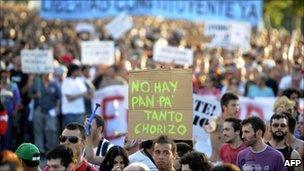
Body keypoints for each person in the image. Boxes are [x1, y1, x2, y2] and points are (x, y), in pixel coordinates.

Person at [29, 73, 61, 155]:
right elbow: (29, 95)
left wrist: (57, 108)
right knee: (38, 130)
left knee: (51, 129)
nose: (49, 75)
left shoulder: (54, 83)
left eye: (50, 74)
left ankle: (50, 149)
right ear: (43, 74)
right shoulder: (37, 83)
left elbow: (59, 97)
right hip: (39, 109)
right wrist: (36, 95)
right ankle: (40, 150)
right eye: (47, 74)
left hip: (51, 110)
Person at [209, 92, 239, 162]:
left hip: (232, 166)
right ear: (224, 107)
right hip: (215, 163)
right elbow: (209, 124)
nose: (237, 108)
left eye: (238, 105)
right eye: (233, 105)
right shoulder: (215, 120)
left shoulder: (240, 125)